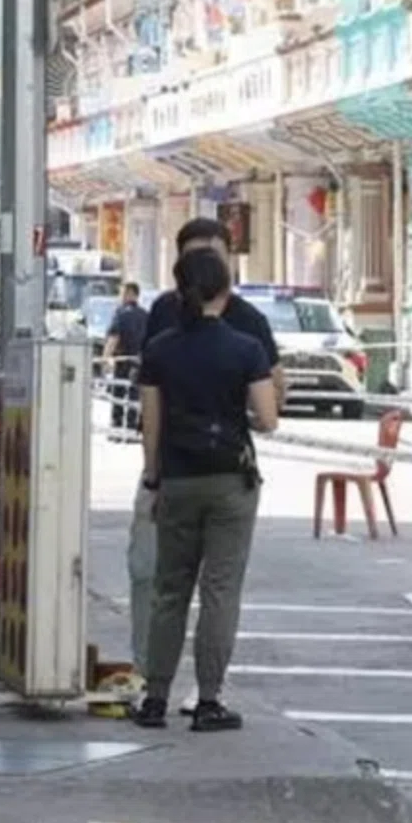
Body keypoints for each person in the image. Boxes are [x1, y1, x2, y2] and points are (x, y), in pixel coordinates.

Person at [125, 217, 282, 694]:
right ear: (225, 283)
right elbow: (270, 414)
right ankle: (209, 698)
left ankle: (155, 695)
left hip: (176, 476)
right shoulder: (246, 343)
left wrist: (153, 477)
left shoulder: (160, 346)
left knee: (170, 589)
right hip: (229, 476)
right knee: (219, 590)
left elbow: (150, 420)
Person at [104, 281, 149, 435]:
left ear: (130, 294)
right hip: (139, 360)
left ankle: (117, 427)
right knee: (134, 394)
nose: (120, 296)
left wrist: (106, 357)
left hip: (122, 360)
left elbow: (114, 337)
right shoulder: (145, 315)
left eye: (122, 293)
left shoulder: (121, 313)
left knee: (119, 392)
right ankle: (131, 426)